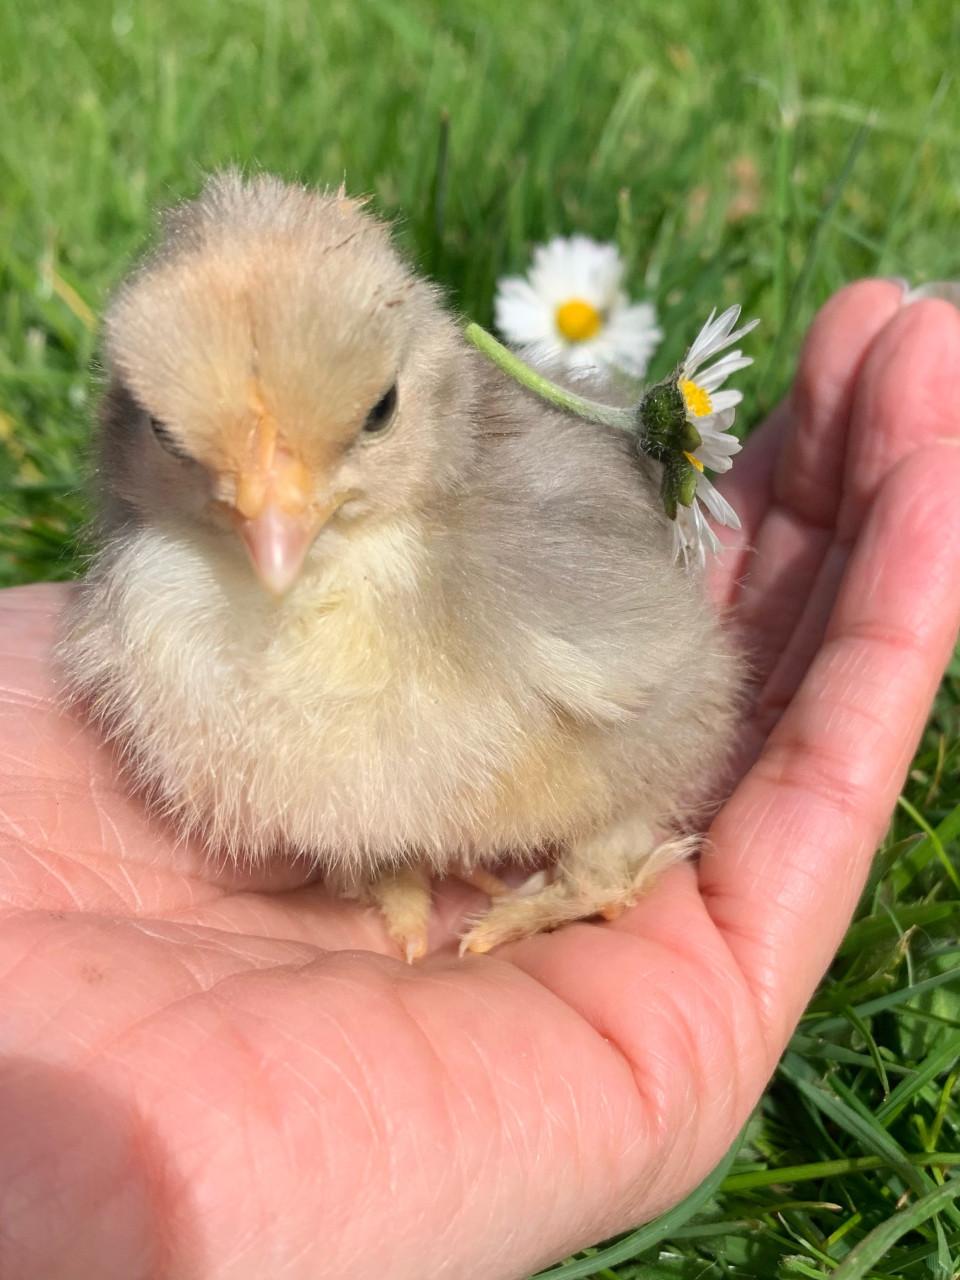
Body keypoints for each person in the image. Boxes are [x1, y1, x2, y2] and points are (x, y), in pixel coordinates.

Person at [0, 280, 958, 1280]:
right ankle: (410, 851)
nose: (272, 515)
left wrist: (608, 832)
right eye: (172, 427)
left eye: (366, 415)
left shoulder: (506, 549)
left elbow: (672, 665)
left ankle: (604, 848)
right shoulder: (147, 615)